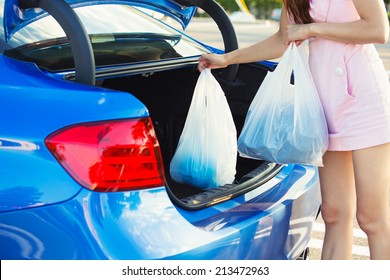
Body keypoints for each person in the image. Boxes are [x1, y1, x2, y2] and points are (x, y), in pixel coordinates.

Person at [198, 0, 390, 260]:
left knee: (371, 218)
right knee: (334, 213)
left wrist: (312, 30)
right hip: (324, 104)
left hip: (364, 99)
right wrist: (227, 59)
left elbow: (378, 29)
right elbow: (282, 39)